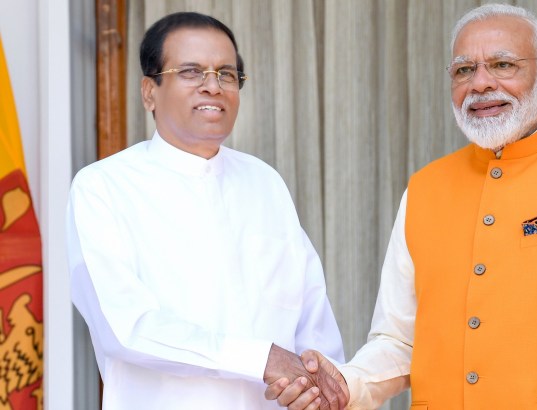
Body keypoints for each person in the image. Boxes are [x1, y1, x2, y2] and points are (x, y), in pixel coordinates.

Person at [266, 3, 537, 409]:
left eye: (503, 64)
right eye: (464, 70)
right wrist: (347, 383)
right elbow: (400, 340)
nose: (480, 83)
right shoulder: (425, 189)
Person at [66, 12, 348, 410]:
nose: (213, 87)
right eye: (191, 71)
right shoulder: (103, 188)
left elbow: (312, 319)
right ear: (149, 92)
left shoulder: (265, 183)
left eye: (227, 74)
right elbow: (126, 328)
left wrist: (318, 380)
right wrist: (261, 357)